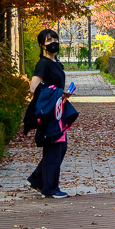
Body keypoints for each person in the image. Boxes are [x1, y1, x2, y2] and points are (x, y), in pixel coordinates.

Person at [26, 28, 72, 199]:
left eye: (55, 39)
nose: (53, 42)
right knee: (54, 148)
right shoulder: (43, 64)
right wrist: (56, 93)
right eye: (49, 40)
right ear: (41, 45)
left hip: (58, 111)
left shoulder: (57, 63)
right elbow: (33, 88)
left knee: (61, 147)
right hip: (49, 113)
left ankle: (38, 179)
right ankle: (50, 188)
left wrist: (63, 93)